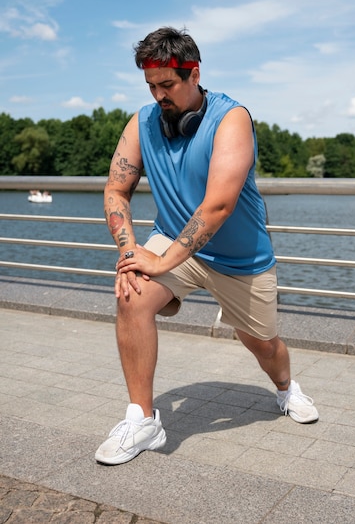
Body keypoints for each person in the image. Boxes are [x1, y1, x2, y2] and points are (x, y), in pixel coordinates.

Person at [95, 26, 318, 465]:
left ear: (194, 74)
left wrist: (161, 263)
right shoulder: (141, 123)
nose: (159, 95)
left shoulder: (231, 118)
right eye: (151, 86)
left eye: (168, 85)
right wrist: (130, 253)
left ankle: (286, 389)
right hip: (173, 242)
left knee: (262, 344)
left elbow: (217, 205)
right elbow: (115, 191)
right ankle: (143, 421)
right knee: (131, 294)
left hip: (240, 258)